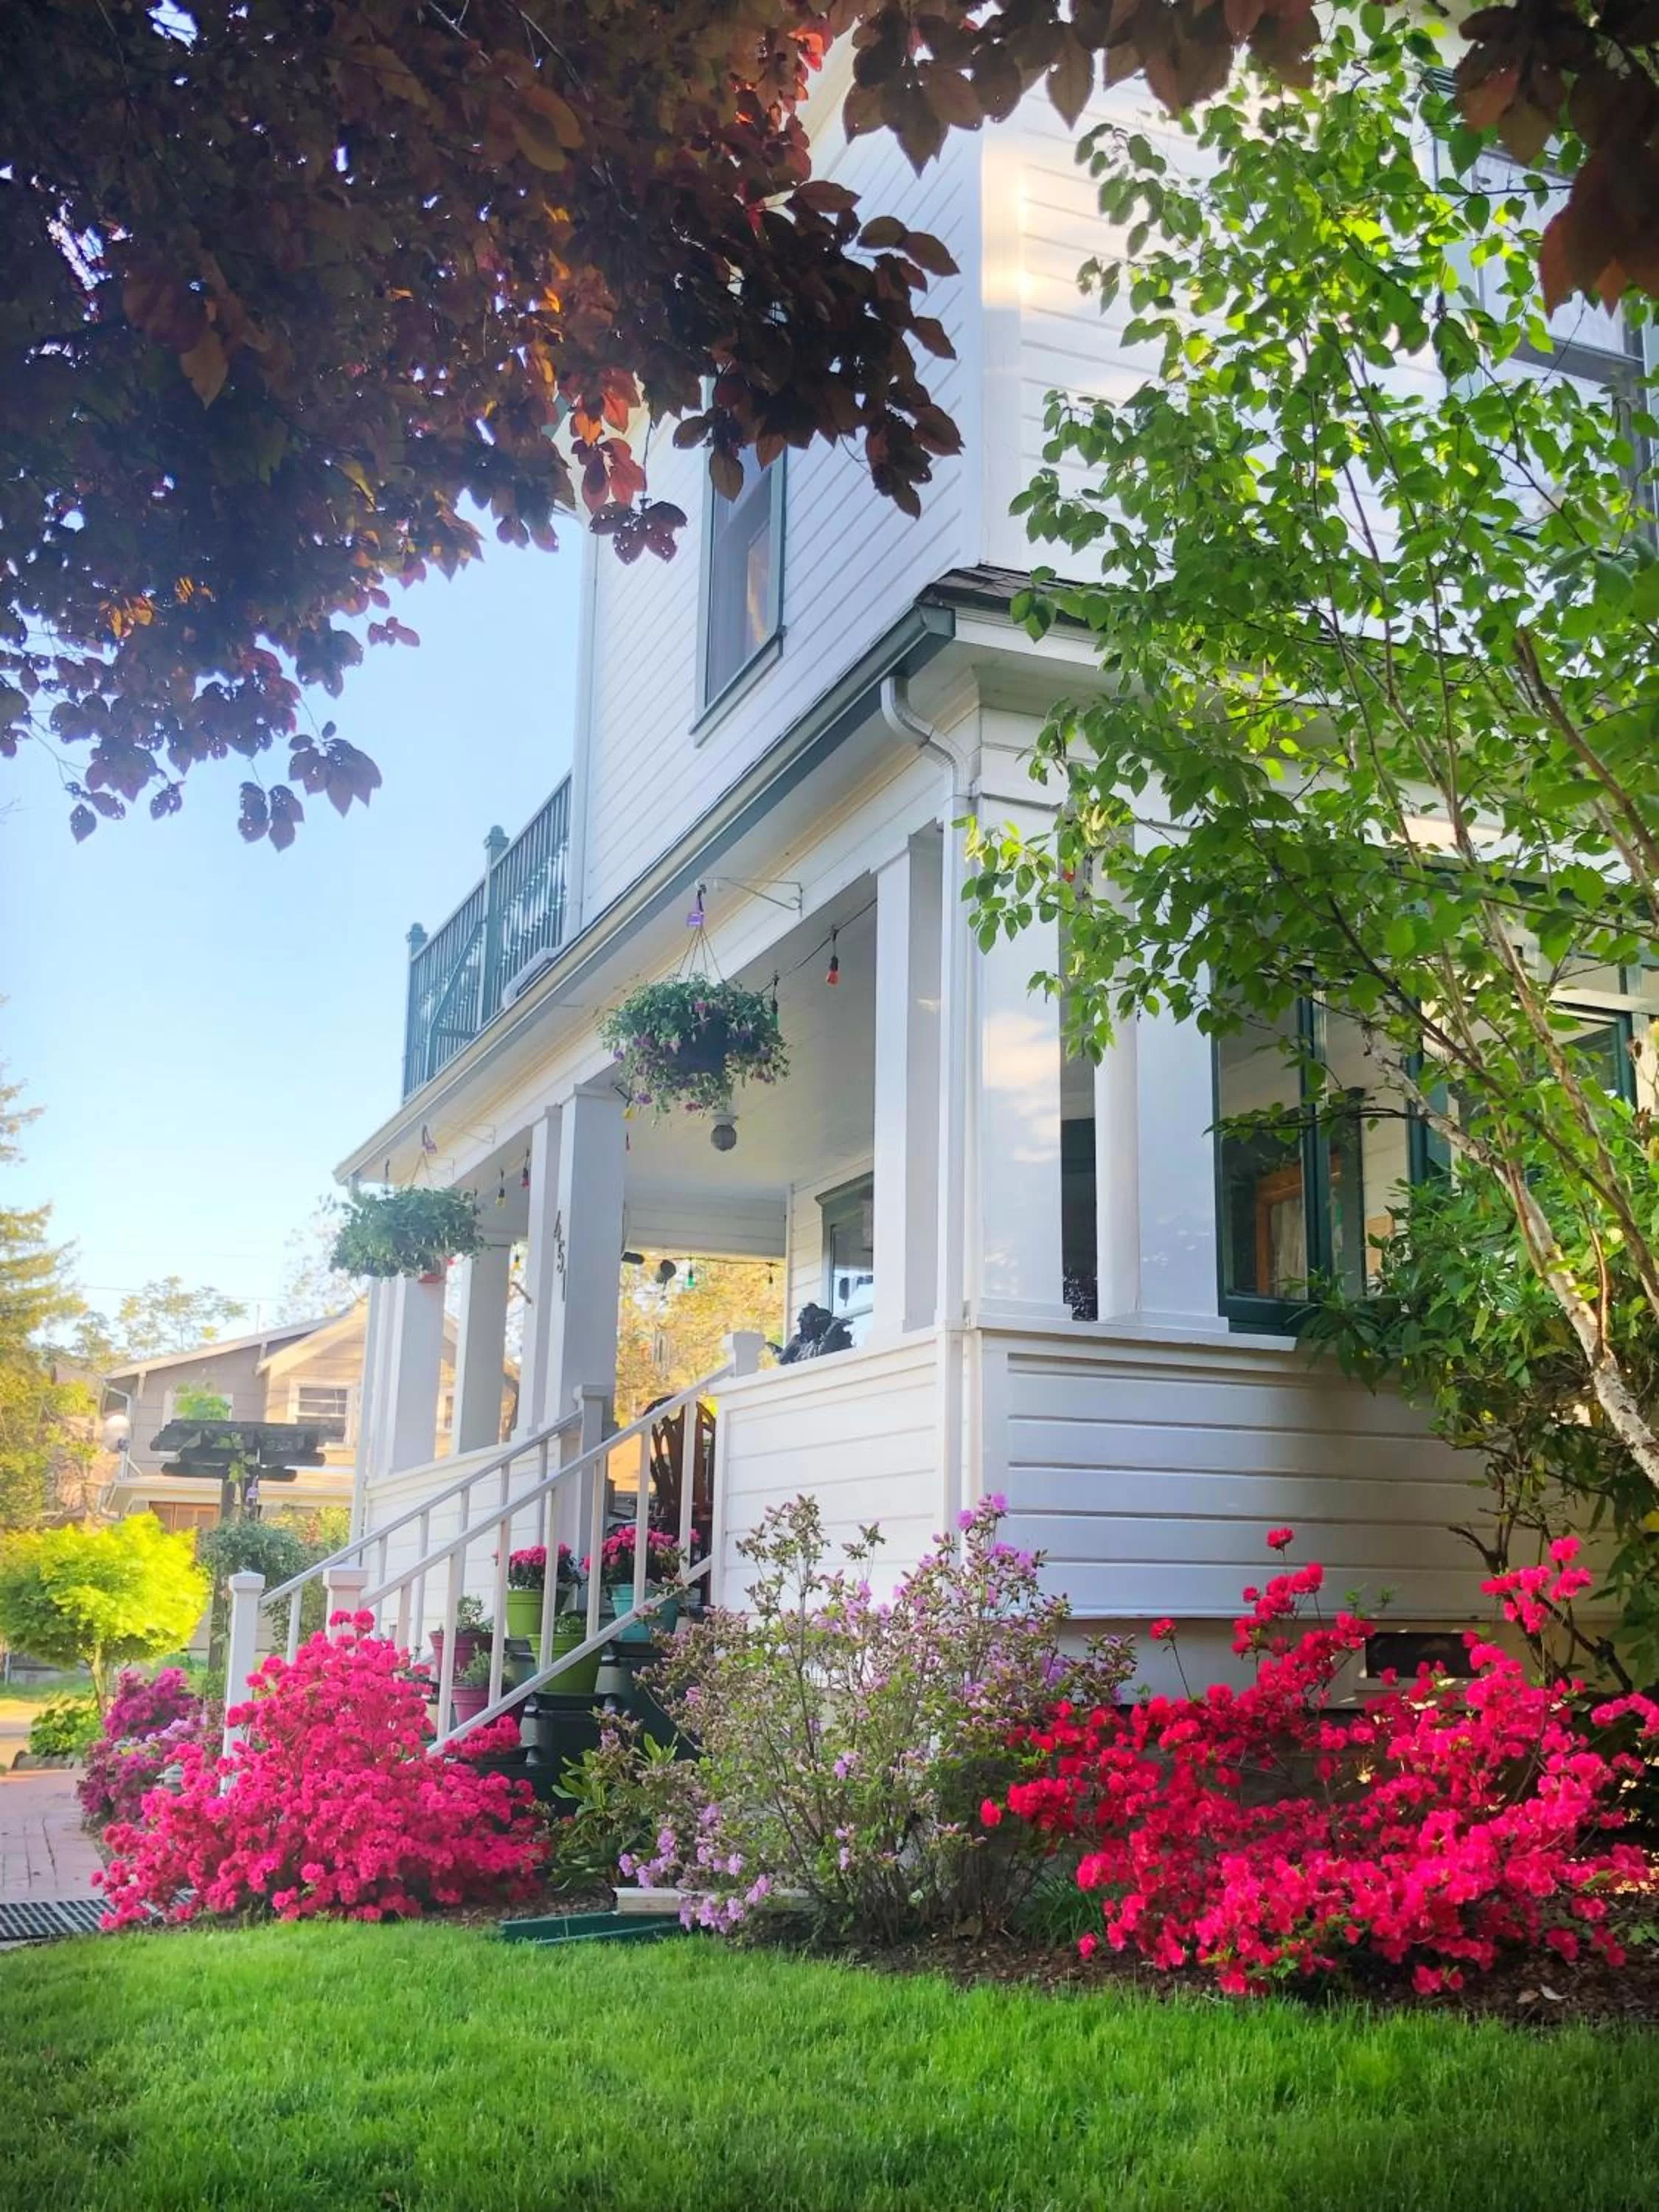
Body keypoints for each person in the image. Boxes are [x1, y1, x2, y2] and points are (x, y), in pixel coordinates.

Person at [776, 1301, 854, 1364]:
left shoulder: (830, 1333)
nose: (804, 1330)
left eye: (807, 1326)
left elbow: (822, 1353)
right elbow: (782, 1360)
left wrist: (833, 1328)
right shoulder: (798, 1340)